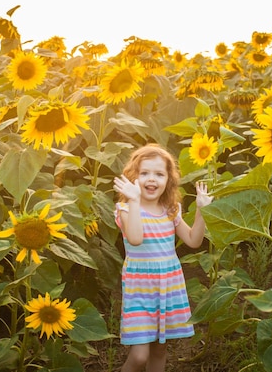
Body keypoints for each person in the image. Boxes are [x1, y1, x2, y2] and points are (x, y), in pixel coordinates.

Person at [113, 143, 213, 372]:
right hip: (139, 289)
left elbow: (193, 240)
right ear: (133, 177)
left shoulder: (171, 209)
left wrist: (202, 210)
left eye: (159, 174)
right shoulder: (126, 209)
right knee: (139, 356)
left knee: (159, 350)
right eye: (144, 173)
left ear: (169, 179)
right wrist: (135, 201)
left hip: (167, 286)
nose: (152, 179)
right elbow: (135, 238)